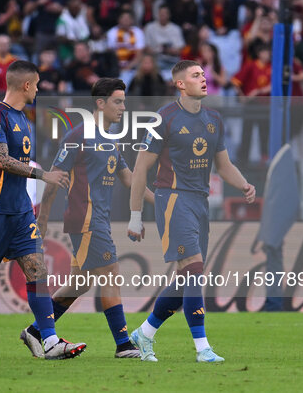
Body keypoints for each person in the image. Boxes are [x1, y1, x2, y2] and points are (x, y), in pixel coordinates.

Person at [127, 60, 256, 363]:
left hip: (200, 201)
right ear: (180, 84)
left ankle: (143, 334)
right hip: (172, 199)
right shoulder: (164, 118)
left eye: (203, 74)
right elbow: (141, 167)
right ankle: (202, 348)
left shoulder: (214, 119)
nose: (204, 78)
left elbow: (223, 165)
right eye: (196, 75)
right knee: (194, 271)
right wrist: (135, 215)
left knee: (187, 277)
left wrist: (244, 184)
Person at [0, 60, 87, 360]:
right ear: (26, 85)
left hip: (20, 211)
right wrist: (44, 175)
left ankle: (49, 340)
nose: (39, 89)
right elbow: (1, 160)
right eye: (38, 84)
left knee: (36, 268)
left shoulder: (23, 121)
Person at [20, 78, 155, 359]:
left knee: (81, 283)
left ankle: (35, 330)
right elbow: (54, 178)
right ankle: (123, 345)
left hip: (99, 220)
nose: (122, 107)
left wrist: (163, 202)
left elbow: (130, 179)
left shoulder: (112, 141)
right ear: (100, 103)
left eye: (124, 102)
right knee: (110, 274)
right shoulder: (77, 136)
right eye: (118, 101)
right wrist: (42, 219)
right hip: (85, 217)